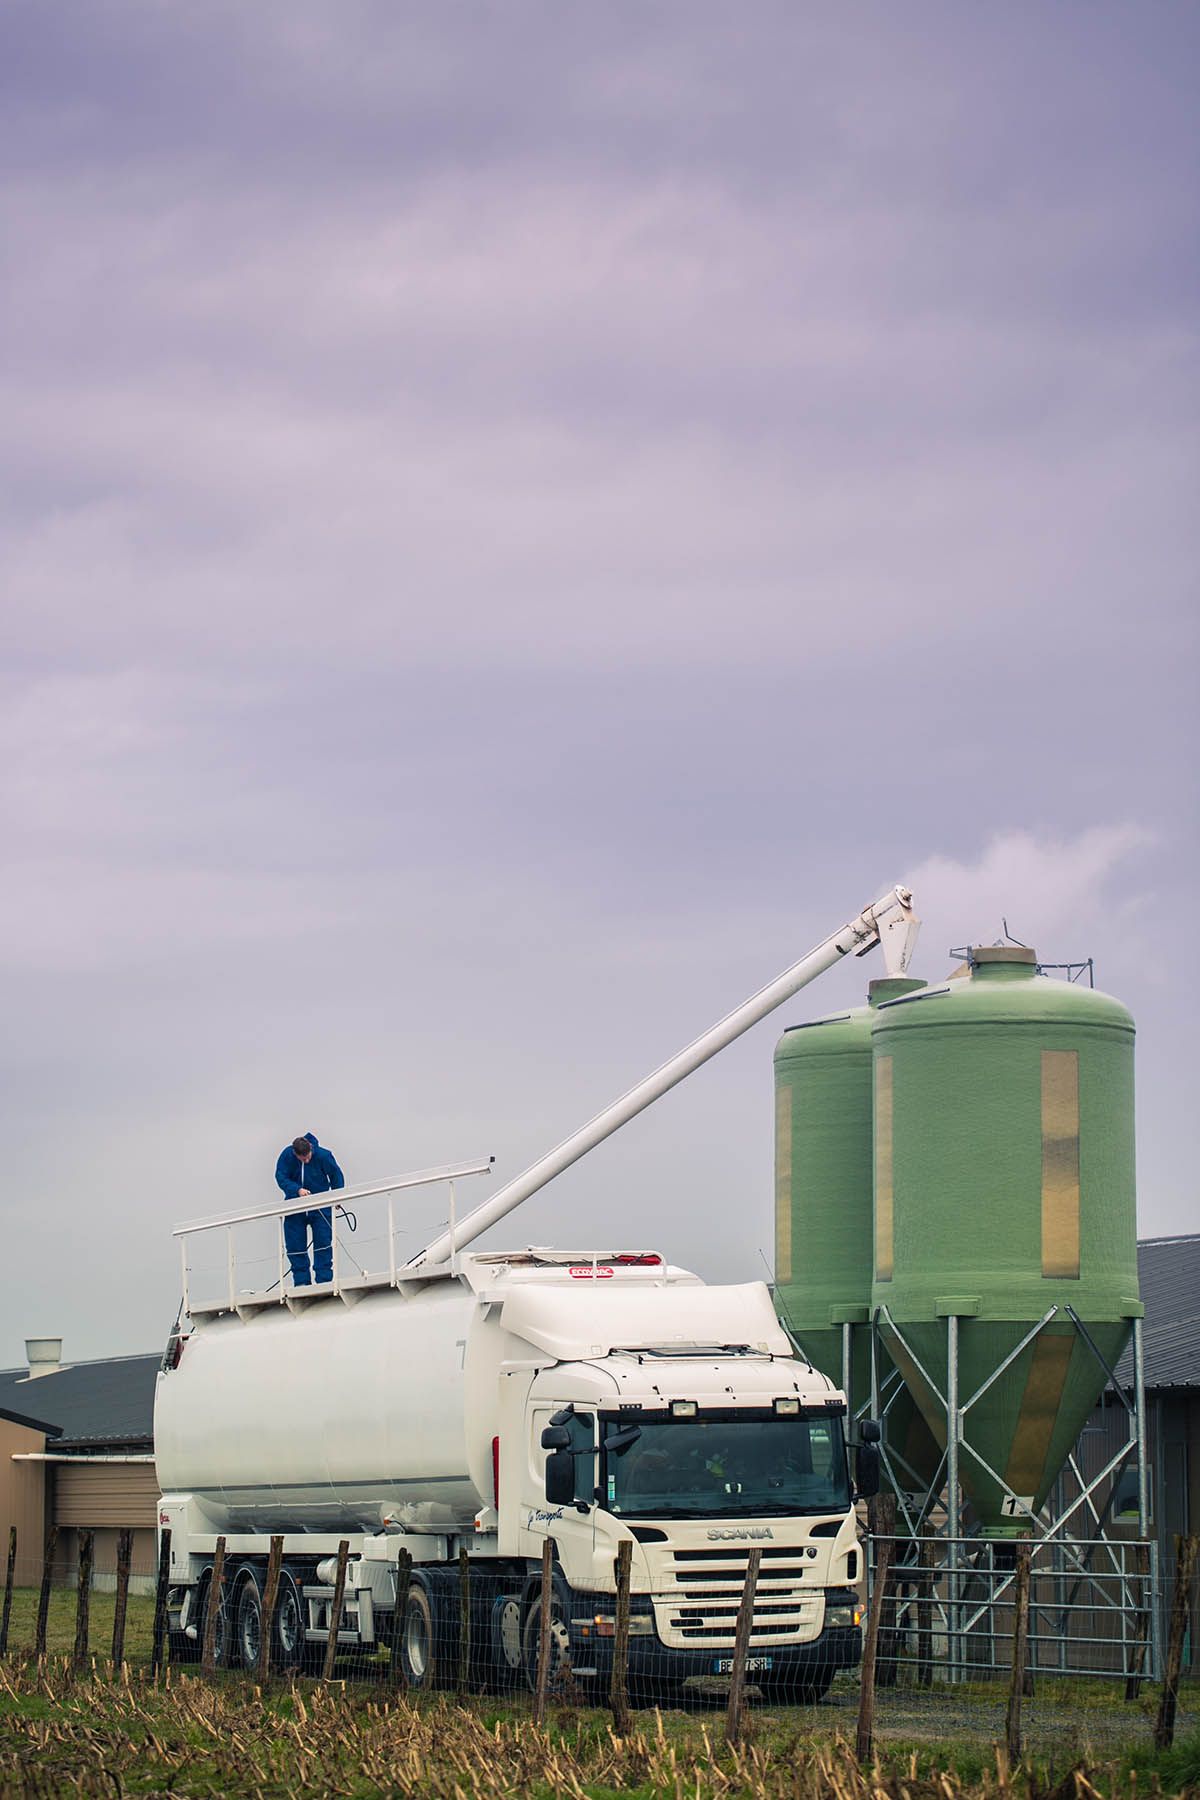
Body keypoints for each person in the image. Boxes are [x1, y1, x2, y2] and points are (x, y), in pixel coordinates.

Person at [275, 1132, 345, 1286]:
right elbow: (280, 1176)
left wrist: (337, 1196)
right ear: (295, 1153)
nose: (306, 1161)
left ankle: (324, 1282)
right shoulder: (287, 1155)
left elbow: (336, 1175)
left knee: (323, 1243)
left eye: (308, 1157)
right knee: (295, 1246)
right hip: (295, 1205)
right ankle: (301, 1284)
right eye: (303, 1159)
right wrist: (296, 1190)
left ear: (311, 1149)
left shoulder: (324, 1156)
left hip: (320, 1205)